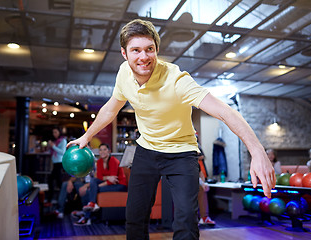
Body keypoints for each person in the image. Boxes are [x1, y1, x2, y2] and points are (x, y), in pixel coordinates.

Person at [67, 19, 275, 239]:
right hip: (146, 150)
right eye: (135, 50)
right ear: (124, 53)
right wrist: (87, 136)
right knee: (135, 217)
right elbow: (111, 108)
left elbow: (226, 112)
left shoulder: (177, 80)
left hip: (181, 152)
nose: (143, 57)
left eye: (149, 49)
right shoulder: (123, 74)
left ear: (157, 49)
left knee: (185, 219)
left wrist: (258, 152)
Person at [74, 143, 127, 226]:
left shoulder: (113, 161)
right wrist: (107, 177)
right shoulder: (99, 162)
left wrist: (97, 186)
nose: (102, 152)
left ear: (109, 151)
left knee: (94, 189)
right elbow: (99, 176)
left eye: (105, 149)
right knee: (93, 180)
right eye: (100, 150)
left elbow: (113, 181)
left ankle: (88, 217)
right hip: (110, 184)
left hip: (120, 185)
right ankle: (92, 205)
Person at [47, 127, 67, 203]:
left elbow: (62, 152)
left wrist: (53, 146)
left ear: (59, 132)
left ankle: (57, 199)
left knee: (54, 181)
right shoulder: (56, 141)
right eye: (53, 132)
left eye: (55, 132)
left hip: (59, 163)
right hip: (55, 163)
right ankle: (61, 198)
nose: (54, 134)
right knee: (56, 181)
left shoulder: (63, 141)